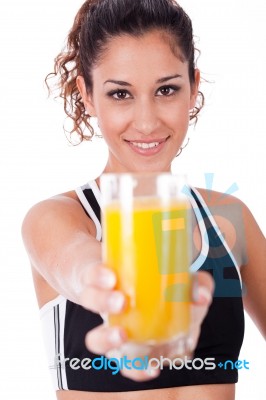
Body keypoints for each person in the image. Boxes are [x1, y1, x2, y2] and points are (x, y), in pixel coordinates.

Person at [21, 0, 265, 399]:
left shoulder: (227, 217)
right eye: (120, 94)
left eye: (166, 89)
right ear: (86, 94)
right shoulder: (61, 218)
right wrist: (109, 292)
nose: (148, 121)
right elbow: (78, 265)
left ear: (193, 88)